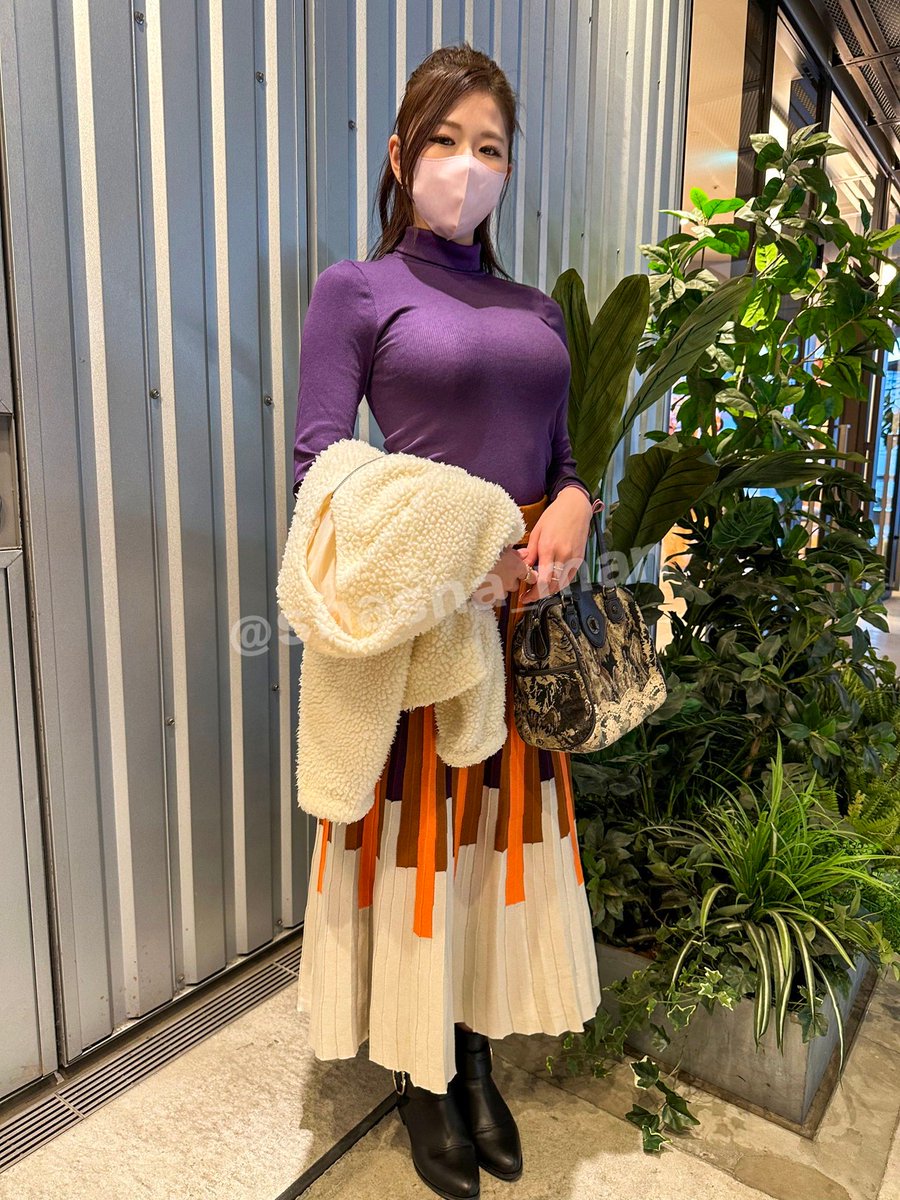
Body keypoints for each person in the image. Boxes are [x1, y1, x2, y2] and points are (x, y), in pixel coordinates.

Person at [292, 41, 602, 1200]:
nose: (466, 166)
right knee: (424, 842)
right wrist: (456, 545)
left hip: (526, 626)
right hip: (432, 618)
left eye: (489, 148)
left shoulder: (536, 308)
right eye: (443, 141)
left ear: (509, 169)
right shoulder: (357, 290)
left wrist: (576, 501)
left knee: (490, 844)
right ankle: (420, 1073)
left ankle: (471, 1054)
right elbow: (318, 472)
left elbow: (561, 458)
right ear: (399, 155)